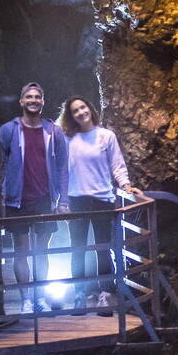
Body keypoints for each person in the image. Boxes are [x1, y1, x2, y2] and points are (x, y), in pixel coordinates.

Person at [58, 97, 133, 309]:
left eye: (83, 107)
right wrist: (61, 199)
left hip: (102, 199)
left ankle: (106, 295)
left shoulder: (106, 136)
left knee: (103, 249)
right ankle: (79, 295)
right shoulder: (68, 139)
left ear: (90, 108)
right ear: (71, 116)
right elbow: (61, 170)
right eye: (75, 111)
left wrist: (125, 185)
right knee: (78, 250)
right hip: (77, 199)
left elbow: (117, 165)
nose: (81, 112)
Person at [0, 82, 66, 310]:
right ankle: (26, 299)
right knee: (21, 250)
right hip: (18, 200)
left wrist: (62, 200)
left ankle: (40, 298)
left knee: (42, 251)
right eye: (29, 97)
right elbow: (0, 163)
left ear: (43, 102)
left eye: (37, 97)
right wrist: (2, 194)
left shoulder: (53, 131)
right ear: (21, 101)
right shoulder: (9, 130)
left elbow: (62, 167)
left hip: (44, 198)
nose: (33, 100)